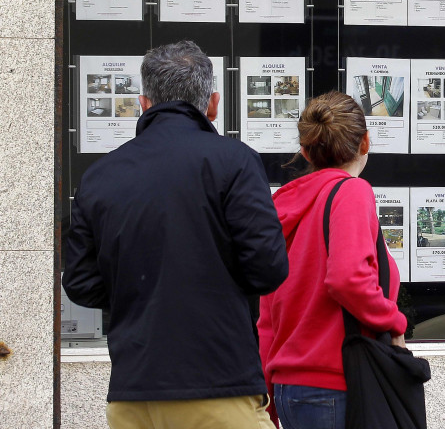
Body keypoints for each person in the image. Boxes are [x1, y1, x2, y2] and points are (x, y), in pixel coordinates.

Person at [63, 40, 289, 429]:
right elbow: (268, 268)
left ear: (143, 103)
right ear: (213, 103)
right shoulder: (235, 161)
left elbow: (81, 283)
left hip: (132, 393)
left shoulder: (99, 176)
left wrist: (139, 293)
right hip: (219, 385)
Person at [258, 91, 408, 429]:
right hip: (336, 384)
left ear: (306, 150)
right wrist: (393, 321)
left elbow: (269, 314)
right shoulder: (352, 192)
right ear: (365, 142)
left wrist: (268, 395)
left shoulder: (285, 206)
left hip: (289, 387)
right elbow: (347, 278)